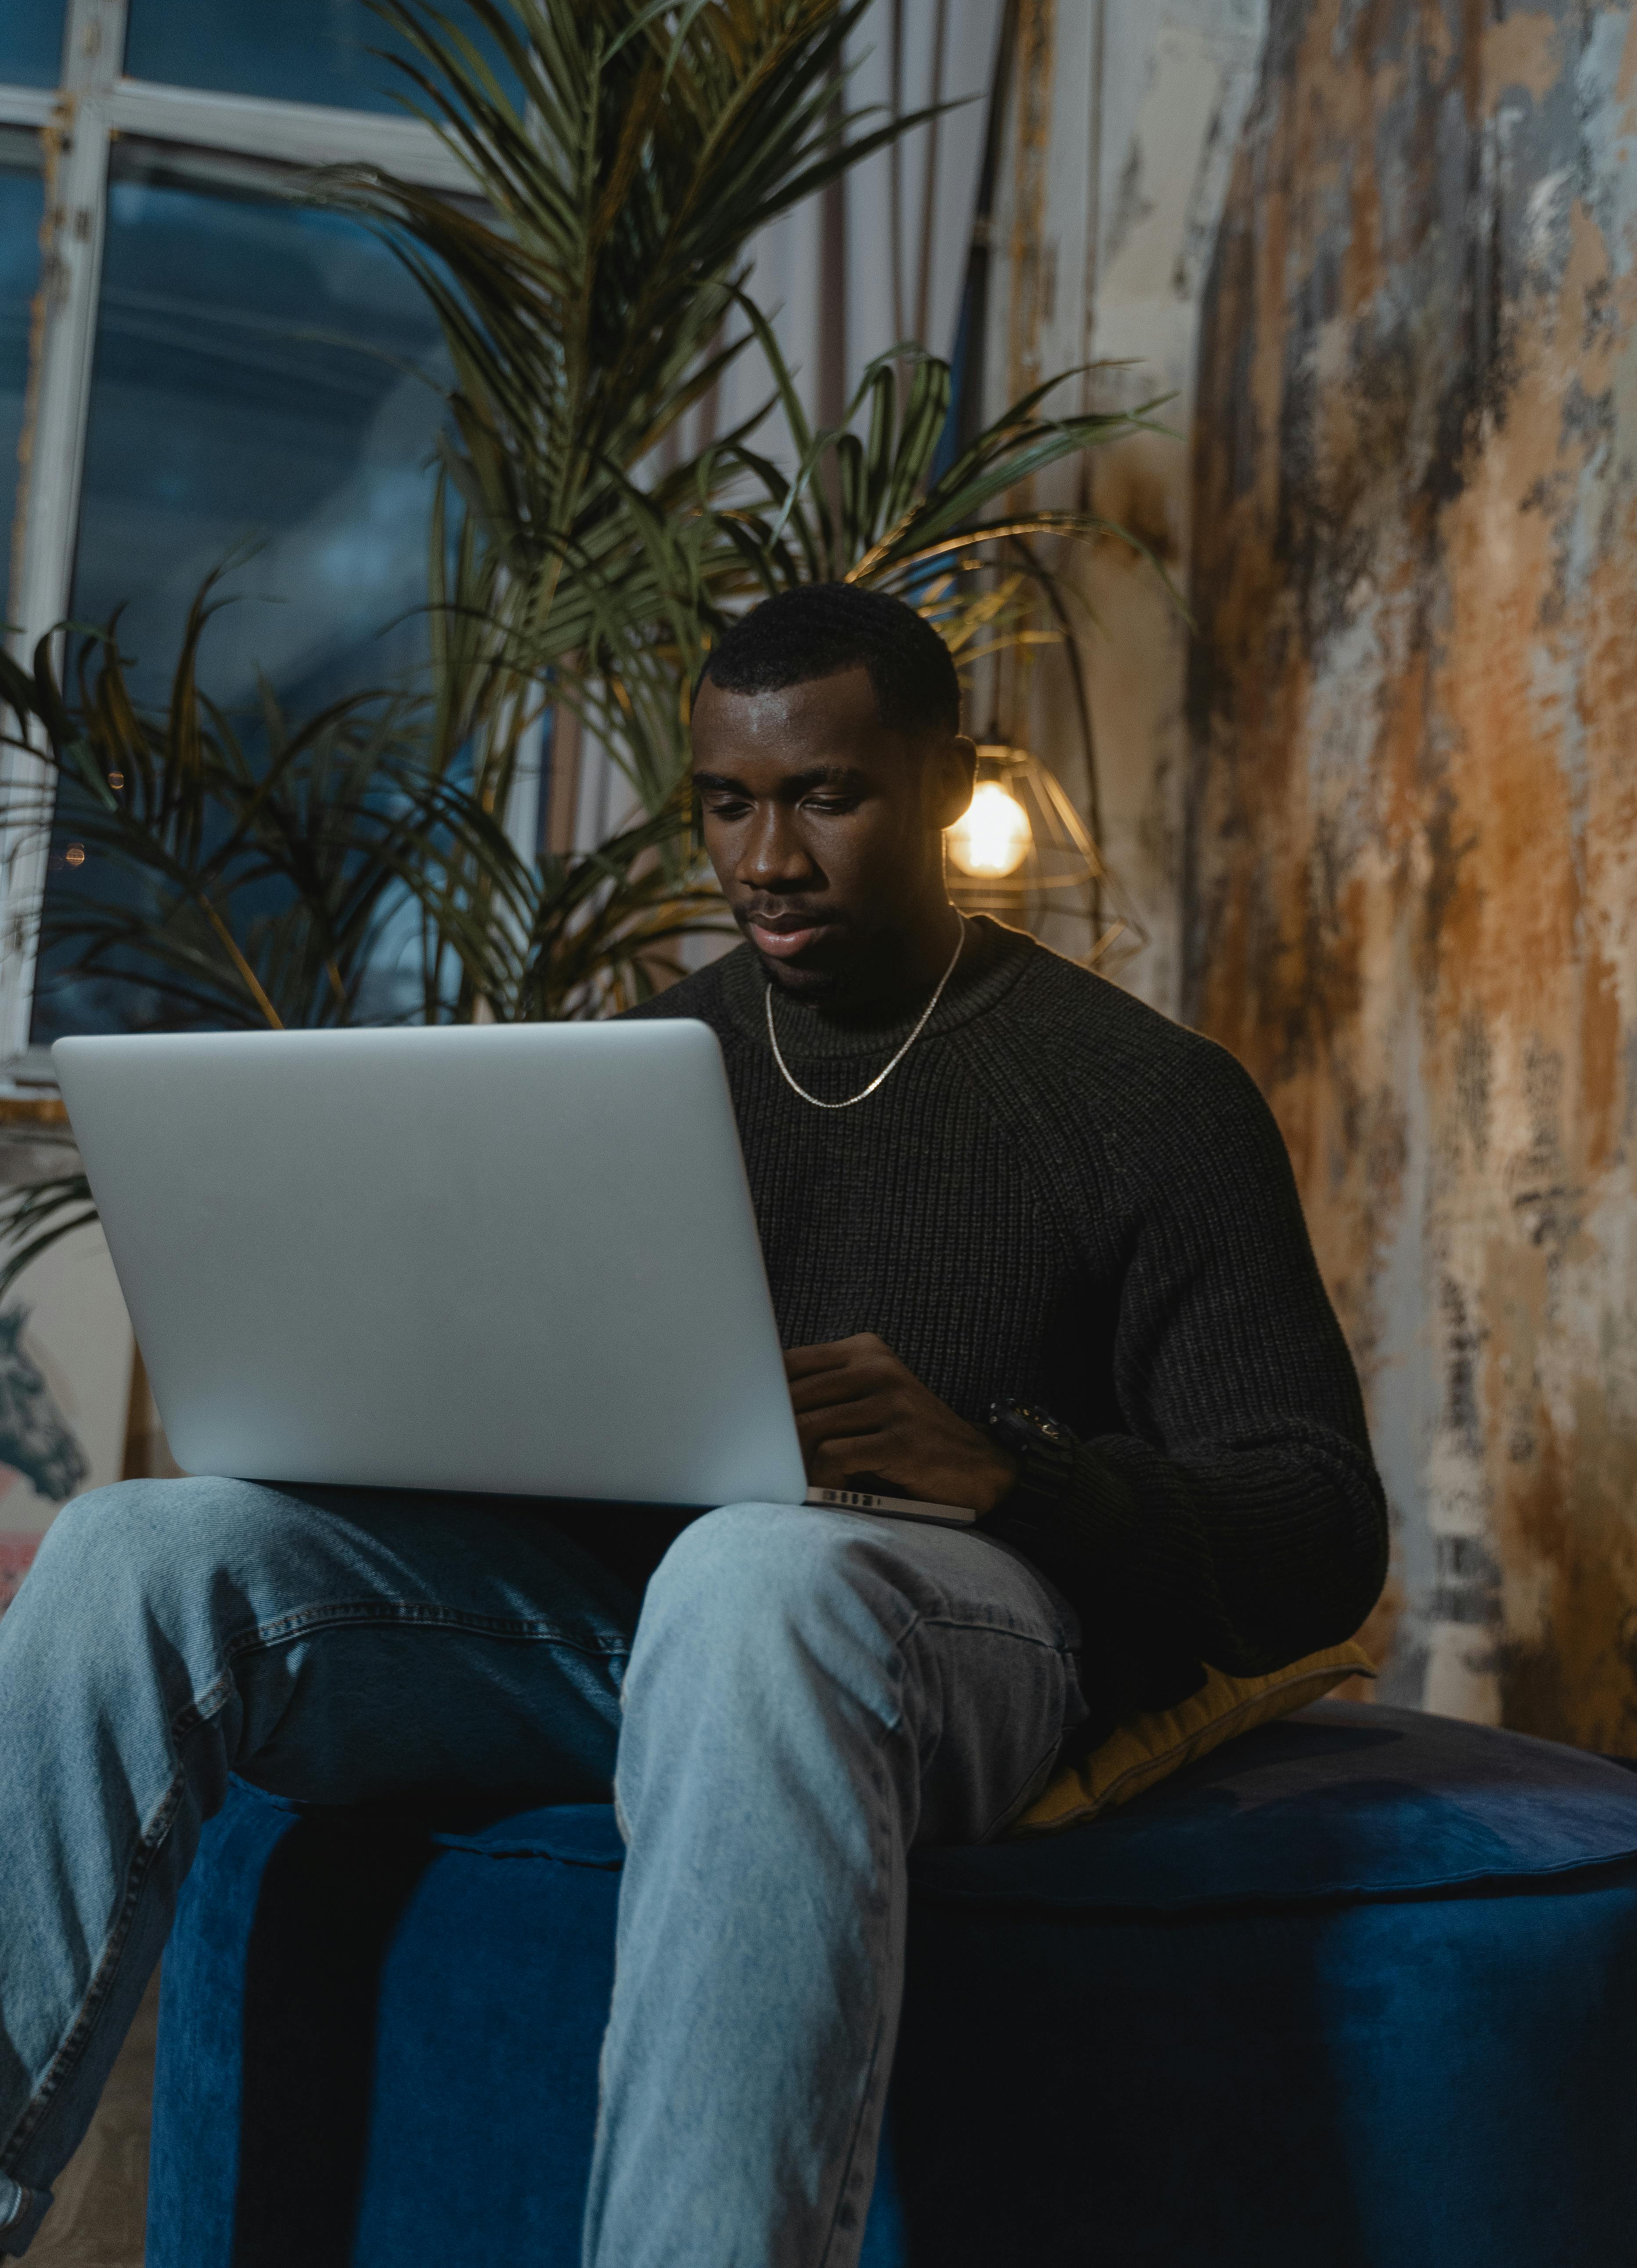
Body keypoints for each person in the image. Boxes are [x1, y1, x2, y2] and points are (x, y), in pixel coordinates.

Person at [0, 581, 1388, 2265]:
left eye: (824, 796)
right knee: (142, 1542)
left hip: (960, 1630)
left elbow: (1317, 1527)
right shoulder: (645, 1065)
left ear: (948, 784)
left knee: (754, 1572)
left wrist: (1008, 1469)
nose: (765, 859)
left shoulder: (1148, 1099)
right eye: (727, 803)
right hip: (623, 1627)